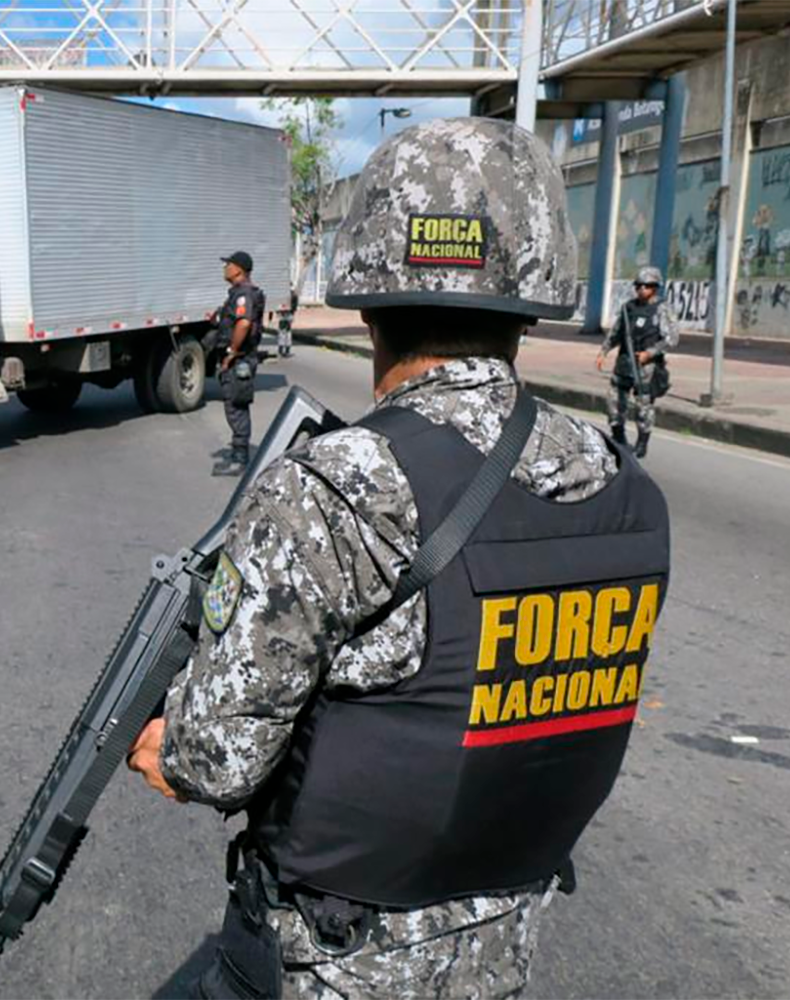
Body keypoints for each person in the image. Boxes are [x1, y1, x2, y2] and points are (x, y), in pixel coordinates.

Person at [127, 118, 670, 999]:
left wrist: (166, 746)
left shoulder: (333, 488)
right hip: (503, 949)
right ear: (531, 295)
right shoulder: (622, 483)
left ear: (368, 302)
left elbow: (220, 757)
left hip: (334, 962)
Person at [595, 265, 677, 458]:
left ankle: (642, 443)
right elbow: (616, 333)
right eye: (639, 285)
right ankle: (618, 438)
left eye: (647, 285)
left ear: (655, 287)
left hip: (646, 367)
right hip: (624, 362)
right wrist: (603, 351)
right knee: (614, 401)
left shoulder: (662, 309)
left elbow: (671, 338)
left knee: (643, 406)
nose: (642, 289)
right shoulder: (628, 308)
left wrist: (650, 353)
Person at [211, 250, 266, 477]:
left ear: (239, 270)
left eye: (229, 264)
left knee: (236, 407)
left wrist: (232, 352)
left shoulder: (244, 294)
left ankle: (240, 460)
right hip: (240, 357)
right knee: (234, 405)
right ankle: (238, 455)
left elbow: (243, 324)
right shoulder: (239, 293)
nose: (225, 268)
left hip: (241, 359)